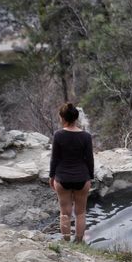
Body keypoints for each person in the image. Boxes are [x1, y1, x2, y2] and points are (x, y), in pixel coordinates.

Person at [49, 103, 94, 243]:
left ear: (63, 118)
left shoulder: (58, 135)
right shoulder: (86, 136)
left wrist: (51, 177)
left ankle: (66, 242)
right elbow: (89, 159)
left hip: (62, 178)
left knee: (64, 213)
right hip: (82, 177)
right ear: (76, 118)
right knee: (80, 213)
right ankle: (79, 242)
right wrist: (90, 177)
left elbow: (54, 158)